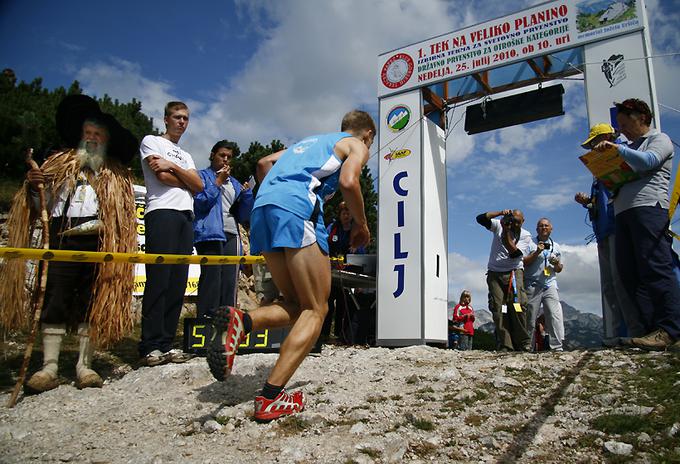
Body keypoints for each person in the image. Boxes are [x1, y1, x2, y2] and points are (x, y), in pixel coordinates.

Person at [207, 109, 374, 421]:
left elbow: (263, 164)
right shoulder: (356, 144)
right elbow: (350, 181)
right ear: (367, 135)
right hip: (295, 208)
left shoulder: (310, 143)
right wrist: (362, 226)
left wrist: (276, 193)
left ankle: (241, 321)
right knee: (318, 309)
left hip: (262, 209)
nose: (367, 150)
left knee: (297, 305)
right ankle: (271, 396)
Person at [0, 94, 137, 392]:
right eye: (87, 133)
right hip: (63, 237)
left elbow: (123, 212)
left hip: (100, 241)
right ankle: (48, 366)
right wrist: (35, 187)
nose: (92, 139)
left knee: (92, 300)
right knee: (56, 297)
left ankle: (84, 366)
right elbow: (40, 206)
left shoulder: (114, 174)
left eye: (98, 135)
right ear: (79, 135)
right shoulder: (57, 165)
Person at [591, 99, 680, 351]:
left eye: (624, 124)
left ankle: (671, 328)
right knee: (629, 273)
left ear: (641, 117)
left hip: (649, 209)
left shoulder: (659, 139)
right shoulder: (630, 146)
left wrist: (617, 150)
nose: (622, 130)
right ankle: (650, 330)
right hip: (623, 214)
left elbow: (648, 162)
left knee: (656, 267)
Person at [138, 101, 204, 366]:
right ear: (166, 119)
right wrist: (185, 179)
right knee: (159, 278)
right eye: (177, 117)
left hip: (185, 216)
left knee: (178, 280)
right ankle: (150, 345)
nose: (182, 122)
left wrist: (174, 167)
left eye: (186, 118)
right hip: (162, 211)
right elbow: (160, 177)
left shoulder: (185, 155)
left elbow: (199, 186)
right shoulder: (151, 141)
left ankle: (166, 343)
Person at [575, 123, 646, 346]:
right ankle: (617, 334)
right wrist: (588, 202)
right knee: (608, 285)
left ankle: (636, 331)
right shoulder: (600, 169)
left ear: (607, 137)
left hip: (617, 228)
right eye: (591, 144)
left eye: (595, 142)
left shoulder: (623, 156)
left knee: (621, 281)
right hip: (602, 230)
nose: (593, 147)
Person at [192, 140, 254, 318]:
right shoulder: (201, 175)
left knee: (229, 279)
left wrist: (247, 194)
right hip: (210, 233)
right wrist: (218, 182)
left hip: (232, 233)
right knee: (211, 277)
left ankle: (226, 319)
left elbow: (243, 216)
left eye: (229, 157)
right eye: (222, 155)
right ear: (212, 155)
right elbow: (200, 203)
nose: (225, 160)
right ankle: (205, 318)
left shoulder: (234, 183)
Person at [476, 209, 532, 351]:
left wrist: (506, 232)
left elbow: (514, 253)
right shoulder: (500, 225)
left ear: (523, 221)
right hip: (495, 273)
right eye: (513, 221)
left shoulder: (525, 235)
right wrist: (500, 213)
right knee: (499, 309)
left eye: (518, 222)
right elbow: (480, 218)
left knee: (517, 305)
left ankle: (523, 342)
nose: (515, 225)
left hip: (514, 272)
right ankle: (506, 344)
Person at [323, 201, 364, 344]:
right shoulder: (332, 228)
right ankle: (324, 335)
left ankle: (341, 336)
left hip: (347, 276)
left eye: (349, 213)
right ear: (340, 214)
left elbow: (361, 255)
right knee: (328, 305)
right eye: (344, 213)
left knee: (343, 305)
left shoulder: (357, 230)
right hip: (331, 274)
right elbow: (323, 245)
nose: (346, 216)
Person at [522, 218, 565, 351]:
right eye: (540, 226)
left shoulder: (556, 246)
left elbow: (559, 269)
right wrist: (537, 252)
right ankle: (527, 346)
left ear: (551, 229)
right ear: (537, 229)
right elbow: (523, 262)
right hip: (532, 283)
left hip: (550, 283)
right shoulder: (530, 243)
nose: (543, 228)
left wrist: (556, 263)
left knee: (554, 314)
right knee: (530, 316)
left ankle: (556, 347)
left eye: (546, 226)